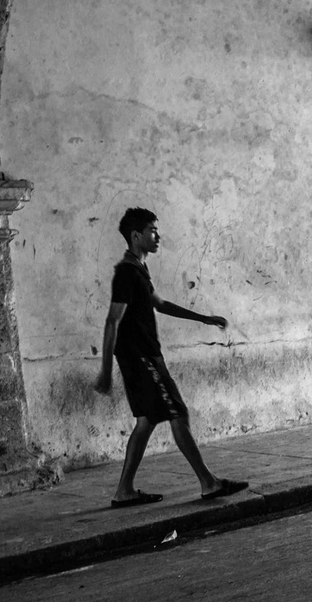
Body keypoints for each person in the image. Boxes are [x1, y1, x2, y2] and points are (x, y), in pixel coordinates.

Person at [95, 208, 247, 508]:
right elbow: (112, 321)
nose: (158, 235)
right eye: (152, 230)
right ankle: (209, 483)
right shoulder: (126, 273)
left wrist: (203, 318)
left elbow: (159, 304)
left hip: (143, 357)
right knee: (178, 413)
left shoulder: (137, 270)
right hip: (142, 358)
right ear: (136, 235)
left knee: (146, 422)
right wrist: (105, 370)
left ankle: (124, 491)